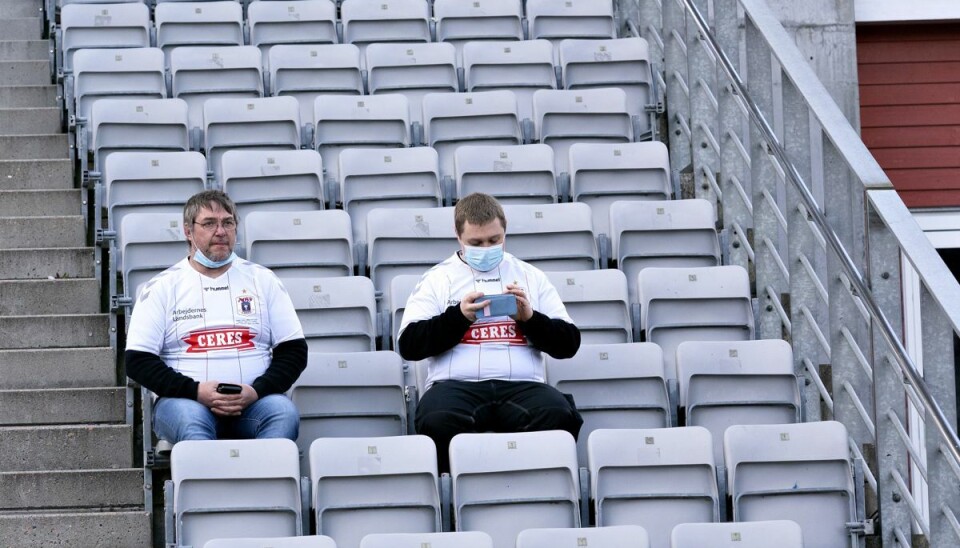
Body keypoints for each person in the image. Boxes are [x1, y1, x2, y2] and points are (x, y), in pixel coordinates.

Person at [398, 192, 583, 471]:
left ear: (505, 231)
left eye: (494, 240)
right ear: (457, 235)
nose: (486, 248)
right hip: (456, 387)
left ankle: (543, 495)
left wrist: (530, 318)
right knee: (437, 418)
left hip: (523, 386)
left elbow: (569, 344)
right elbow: (409, 344)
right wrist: (458, 317)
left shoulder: (530, 275)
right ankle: (454, 499)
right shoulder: (438, 278)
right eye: (476, 243)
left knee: (559, 413)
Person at [125, 190, 308, 442]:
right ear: (188, 231)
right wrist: (196, 391)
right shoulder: (162, 287)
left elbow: (294, 351)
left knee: (283, 413)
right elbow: (137, 360)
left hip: (254, 404)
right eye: (209, 223)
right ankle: (208, 482)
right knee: (191, 422)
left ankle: (265, 481)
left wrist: (256, 391)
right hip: (186, 403)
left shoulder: (263, 280)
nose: (221, 231)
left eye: (228, 223)